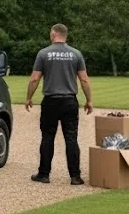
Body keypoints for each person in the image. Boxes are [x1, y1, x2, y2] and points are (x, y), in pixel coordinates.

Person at [25, 23, 93, 186]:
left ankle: (44, 174)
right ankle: (75, 176)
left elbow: (35, 78)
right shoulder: (76, 54)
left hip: (51, 100)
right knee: (71, 137)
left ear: (54, 34)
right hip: (69, 100)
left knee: (48, 136)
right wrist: (89, 100)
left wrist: (28, 97)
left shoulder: (44, 54)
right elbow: (83, 78)